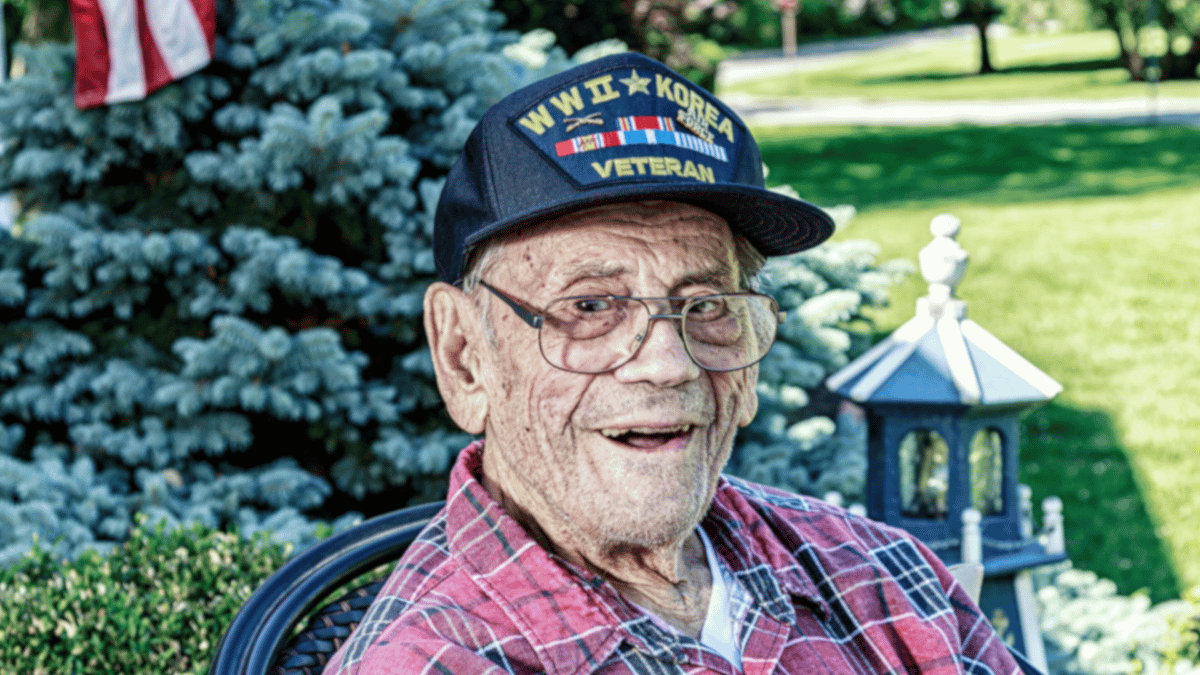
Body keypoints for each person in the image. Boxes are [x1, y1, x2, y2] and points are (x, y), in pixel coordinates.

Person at [323, 52, 1020, 675]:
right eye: (591, 306)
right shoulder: (430, 659)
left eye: (708, 302)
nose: (667, 363)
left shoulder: (883, 573)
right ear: (464, 356)